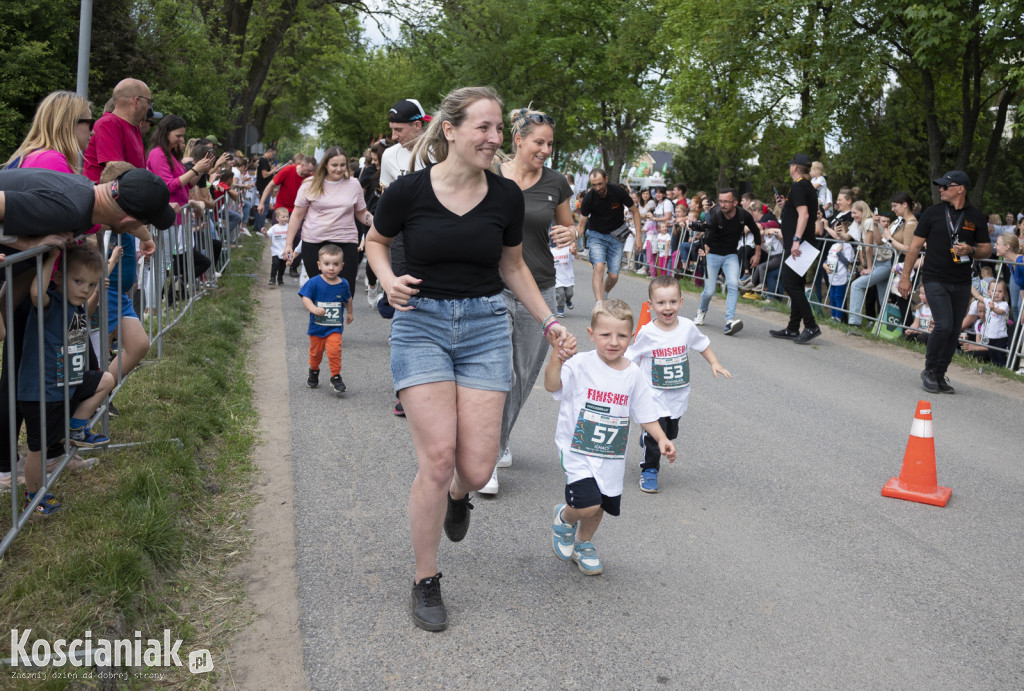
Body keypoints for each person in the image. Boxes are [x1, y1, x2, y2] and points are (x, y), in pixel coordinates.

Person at [364, 86, 576, 631]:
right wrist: (387, 281)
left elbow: (513, 268)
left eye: (499, 128)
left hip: (485, 326)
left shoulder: (503, 197)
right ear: (451, 130)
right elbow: (376, 242)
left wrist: (550, 324)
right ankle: (426, 580)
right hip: (421, 325)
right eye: (484, 127)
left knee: (477, 468)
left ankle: (461, 496)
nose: (495, 138)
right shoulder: (409, 191)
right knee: (437, 459)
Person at [482, 106, 575, 495]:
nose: (545, 149)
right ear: (518, 140)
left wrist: (572, 236)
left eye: (550, 144)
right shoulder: (490, 176)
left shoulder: (557, 183)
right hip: (493, 285)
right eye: (539, 141)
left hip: (540, 288)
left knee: (522, 376)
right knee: (497, 373)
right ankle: (485, 459)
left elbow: (569, 227)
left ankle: (500, 440)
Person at [545, 299, 675, 575]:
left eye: (622, 335)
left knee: (599, 506)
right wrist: (556, 359)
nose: (613, 342)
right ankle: (564, 518)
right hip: (577, 450)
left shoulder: (633, 374)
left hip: (611, 455)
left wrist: (662, 438)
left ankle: (583, 544)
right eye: (605, 335)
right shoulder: (579, 364)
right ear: (592, 335)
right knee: (586, 503)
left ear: (631, 337)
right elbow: (552, 385)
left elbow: (645, 413)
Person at [17, 244, 115, 514]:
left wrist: (103, 280)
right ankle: (34, 497)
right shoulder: (51, 302)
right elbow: (36, 292)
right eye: (78, 281)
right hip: (40, 392)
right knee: (38, 449)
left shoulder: (78, 308)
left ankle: (76, 427)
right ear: (59, 278)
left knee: (106, 379)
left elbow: (89, 308)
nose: (85, 289)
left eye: (91, 284)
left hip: (67, 387)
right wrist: (50, 257)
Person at [626, 277, 730, 493]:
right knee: (657, 439)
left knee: (670, 433)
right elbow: (631, 356)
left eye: (673, 302)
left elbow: (702, 344)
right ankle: (649, 470)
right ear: (651, 304)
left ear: (681, 302)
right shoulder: (647, 332)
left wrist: (715, 362)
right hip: (652, 396)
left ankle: (649, 437)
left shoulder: (687, 327)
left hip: (677, 396)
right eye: (661, 303)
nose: (667, 308)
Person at [898, 170, 991, 393]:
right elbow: (915, 247)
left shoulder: (976, 216)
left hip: (961, 281)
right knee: (944, 325)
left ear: (960, 189)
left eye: (945, 186)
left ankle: (940, 373)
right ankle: (929, 371)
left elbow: (986, 249)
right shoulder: (932, 213)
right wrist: (905, 277)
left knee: (953, 329)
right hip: (934, 278)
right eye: (940, 186)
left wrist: (971, 249)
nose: (941, 189)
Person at [379, 99, 432, 418]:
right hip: (401, 239)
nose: (395, 136)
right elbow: (387, 200)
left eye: (400, 130)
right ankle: (405, 388)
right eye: (392, 130)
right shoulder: (389, 156)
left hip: (438, 241)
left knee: (432, 306)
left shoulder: (440, 151)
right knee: (405, 307)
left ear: (418, 125)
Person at [283, 146, 371, 291]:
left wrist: (378, 222)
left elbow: (361, 213)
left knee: (346, 290)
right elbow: (297, 215)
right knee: (321, 291)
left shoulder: (354, 184)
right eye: (334, 165)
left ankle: (344, 314)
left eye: (342, 165)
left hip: (346, 242)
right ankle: (320, 314)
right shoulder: (310, 184)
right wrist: (288, 244)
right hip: (315, 242)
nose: (339, 169)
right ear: (325, 165)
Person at [695, 188, 761, 335]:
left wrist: (757, 253)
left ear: (735, 202)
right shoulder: (715, 214)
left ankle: (729, 321)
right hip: (712, 255)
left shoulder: (743, 215)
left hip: (731, 255)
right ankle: (702, 310)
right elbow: (708, 234)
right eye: (721, 201)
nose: (722, 204)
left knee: (733, 285)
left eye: (726, 201)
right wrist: (704, 248)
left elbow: (756, 232)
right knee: (709, 291)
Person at [770, 153, 821, 344]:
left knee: (790, 284)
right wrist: (786, 204)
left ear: (795, 167)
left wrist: (796, 240)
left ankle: (811, 325)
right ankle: (793, 328)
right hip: (804, 243)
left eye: (791, 165)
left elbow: (804, 215)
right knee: (797, 285)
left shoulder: (799, 186)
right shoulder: (806, 186)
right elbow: (800, 211)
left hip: (799, 244)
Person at [576, 168, 643, 301]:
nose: (597, 187)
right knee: (599, 267)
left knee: (613, 276)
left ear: (606, 179)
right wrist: (572, 242)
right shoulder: (589, 198)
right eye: (594, 185)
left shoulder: (617, 191)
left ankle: (605, 293)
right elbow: (581, 225)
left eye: (600, 183)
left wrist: (639, 238)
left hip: (616, 236)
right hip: (596, 235)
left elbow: (635, 211)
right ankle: (599, 305)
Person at [298, 244, 353, 393]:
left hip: (334, 327)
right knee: (316, 353)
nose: (331, 268)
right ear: (319, 265)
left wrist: (349, 313)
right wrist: (313, 309)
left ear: (341, 266)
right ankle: (314, 371)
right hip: (317, 327)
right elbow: (306, 298)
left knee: (335, 351)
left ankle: (336, 377)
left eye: (335, 264)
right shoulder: (314, 282)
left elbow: (348, 299)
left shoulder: (343, 284)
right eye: (327, 264)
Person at [83, 78, 152, 181]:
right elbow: (116, 171)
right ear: (136, 101)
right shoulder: (108, 124)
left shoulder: (134, 127)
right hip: (105, 196)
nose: (149, 108)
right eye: (148, 102)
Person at [847, 200, 891, 326]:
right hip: (882, 262)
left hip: (883, 263)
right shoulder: (867, 222)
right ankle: (885, 327)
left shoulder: (868, 222)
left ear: (862, 211)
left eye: (855, 213)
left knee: (856, 285)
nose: (852, 216)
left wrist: (870, 268)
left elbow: (868, 247)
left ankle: (854, 322)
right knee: (883, 297)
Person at [823, 233, 855, 320]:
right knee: (832, 296)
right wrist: (824, 265)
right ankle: (832, 316)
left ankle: (838, 317)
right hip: (832, 275)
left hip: (841, 277)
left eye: (840, 232)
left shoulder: (847, 246)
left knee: (838, 297)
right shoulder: (834, 245)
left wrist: (839, 253)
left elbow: (847, 262)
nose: (837, 234)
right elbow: (829, 258)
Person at [993, 232, 1023, 320]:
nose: (995, 247)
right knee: (1017, 307)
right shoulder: (1010, 263)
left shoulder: (1020, 262)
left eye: (997, 244)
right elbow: (1022, 287)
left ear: (1007, 247)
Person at [254, 146, 280, 231]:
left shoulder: (263, 160)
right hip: (264, 187)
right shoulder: (264, 160)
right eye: (273, 154)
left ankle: (258, 227)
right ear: (269, 151)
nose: (273, 156)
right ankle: (260, 228)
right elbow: (264, 175)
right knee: (263, 207)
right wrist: (274, 170)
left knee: (261, 207)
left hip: (262, 186)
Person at [268, 207, 291, 286]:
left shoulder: (289, 227)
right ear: (277, 218)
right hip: (275, 250)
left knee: (282, 266)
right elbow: (268, 235)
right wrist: (264, 232)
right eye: (283, 217)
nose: (285, 219)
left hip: (285, 250)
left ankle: (280, 278)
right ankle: (272, 278)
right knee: (275, 263)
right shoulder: (274, 228)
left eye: (287, 217)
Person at [553, 242, 575, 317]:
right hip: (557, 278)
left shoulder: (568, 249)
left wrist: (574, 251)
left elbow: (575, 256)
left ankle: (568, 300)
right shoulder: (551, 251)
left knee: (569, 293)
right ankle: (560, 308)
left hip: (568, 278)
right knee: (560, 294)